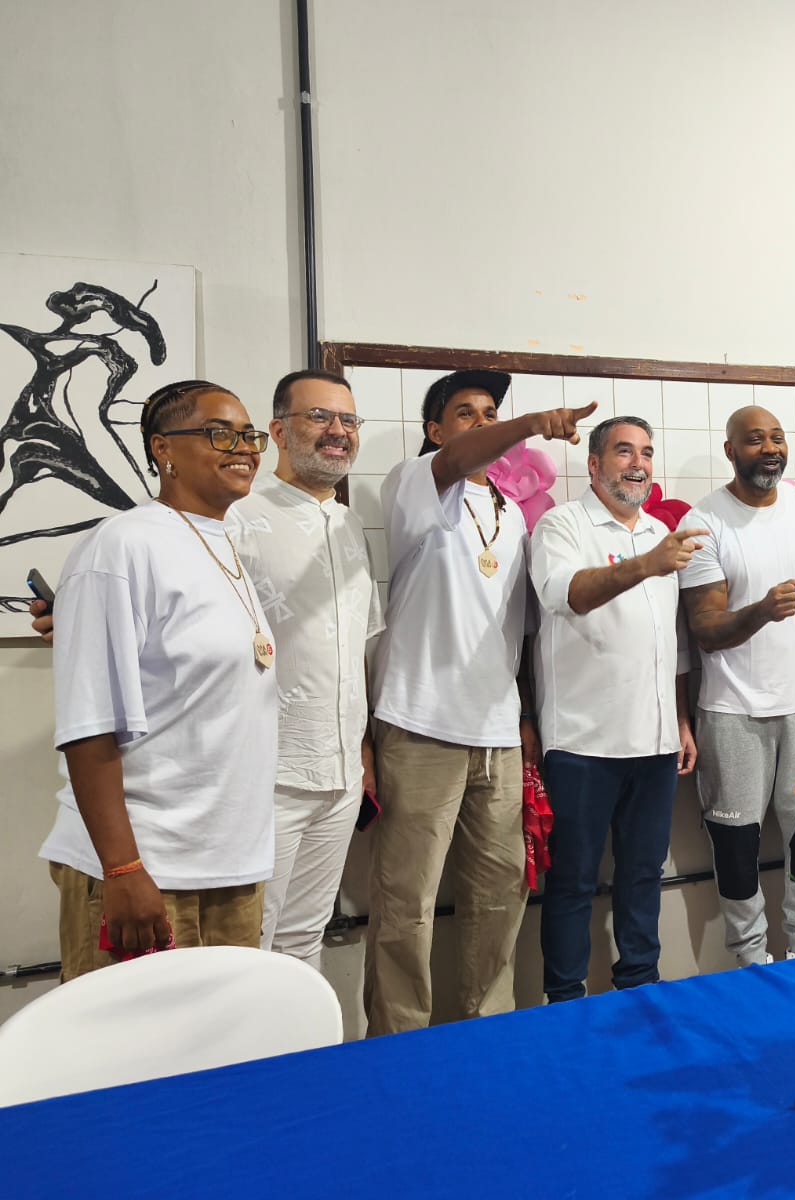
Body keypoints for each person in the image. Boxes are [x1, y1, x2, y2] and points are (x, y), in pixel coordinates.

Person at [365, 369, 592, 1035]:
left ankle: (486, 1029)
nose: (483, 422)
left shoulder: (513, 515)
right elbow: (460, 459)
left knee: (501, 892)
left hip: (496, 731)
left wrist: (523, 715)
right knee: (407, 900)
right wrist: (531, 424)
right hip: (419, 724)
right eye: (466, 413)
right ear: (435, 431)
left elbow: (512, 631)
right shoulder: (415, 484)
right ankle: (399, 1040)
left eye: (491, 412)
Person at [39, 379, 277, 977]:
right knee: (126, 1038)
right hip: (146, 867)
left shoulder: (222, 544)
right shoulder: (122, 546)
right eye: (219, 433)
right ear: (162, 448)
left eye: (249, 435)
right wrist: (123, 869)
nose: (243, 448)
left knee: (227, 1037)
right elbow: (89, 725)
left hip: (229, 865)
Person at [528, 415, 702, 1001]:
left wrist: (680, 719)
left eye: (646, 453)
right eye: (624, 452)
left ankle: (640, 989)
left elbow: (672, 644)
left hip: (655, 740)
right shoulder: (561, 525)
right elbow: (569, 595)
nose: (638, 464)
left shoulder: (659, 532)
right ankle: (564, 1000)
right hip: (583, 741)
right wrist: (647, 564)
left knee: (644, 874)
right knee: (573, 881)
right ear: (594, 464)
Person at [228, 369, 382, 972]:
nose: (337, 431)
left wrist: (362, 752)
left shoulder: (348, 523)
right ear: (278, 431)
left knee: (304, 938)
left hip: (341, 774)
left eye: (348, 419)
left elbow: (355, 649)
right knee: (250, 946)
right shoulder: (238, 515)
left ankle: (302, 1040)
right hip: (266, 775)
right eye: (319, 417)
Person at [680, 405, 795, 966]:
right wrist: (761, 611)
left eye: (777, 438)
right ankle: (750, 964)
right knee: (736, 846)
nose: (769, 448)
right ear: (730, 451)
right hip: (732, 711)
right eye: (754, 440)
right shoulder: (702, 521)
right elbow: (705, 629)